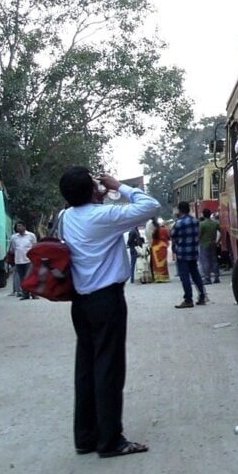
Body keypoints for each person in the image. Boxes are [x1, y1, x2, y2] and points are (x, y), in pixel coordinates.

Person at [58, 167, 160, 458]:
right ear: (92, 190)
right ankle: (110, 439)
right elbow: (150, 206)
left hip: (81, 301)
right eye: (94, 184)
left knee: (86, 367)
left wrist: (98, 194)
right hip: (107, 300)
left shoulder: (65, 218)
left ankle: (86, 436)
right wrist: (120, 187)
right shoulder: (103, 217)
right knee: (109, 369)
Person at [171, 201, 208, 308]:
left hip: (182, 253)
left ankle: (188, 299)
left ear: (180, 210)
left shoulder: (178, 223)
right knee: (195, 274)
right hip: (193, 252)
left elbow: (172, 235)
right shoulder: (195, 221)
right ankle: (202, 297)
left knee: (185, 276)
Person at [8, 221, 37, 300]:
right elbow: (13, 249)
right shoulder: (14, 237)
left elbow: (34, 248)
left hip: (29, 260)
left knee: (30, 277)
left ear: (24, 227)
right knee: (22, 279)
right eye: (17, 226)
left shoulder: (31, 236)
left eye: (20, 226)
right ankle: (25, 294)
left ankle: (33, 294)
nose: (19, 228)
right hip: (18, 261)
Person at [198, 208, 221, 285]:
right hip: (213, 244)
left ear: (203, 215)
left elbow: (199, 235)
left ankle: (207, 278)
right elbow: (221, 232)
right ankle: (216, 277)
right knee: (214, 260)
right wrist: (218, 241)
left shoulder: (202, 224)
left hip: (204, 244)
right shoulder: (215, 223)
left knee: (205, 261)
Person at [149, 218, 170, 283]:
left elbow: (152, 238)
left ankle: (158, 277)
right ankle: (164, 277)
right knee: (163, 263)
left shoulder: (154, 231)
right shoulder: (164, 230)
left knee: (156, 263)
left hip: (155, 248)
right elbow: (168, 237)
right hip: (163, 247)